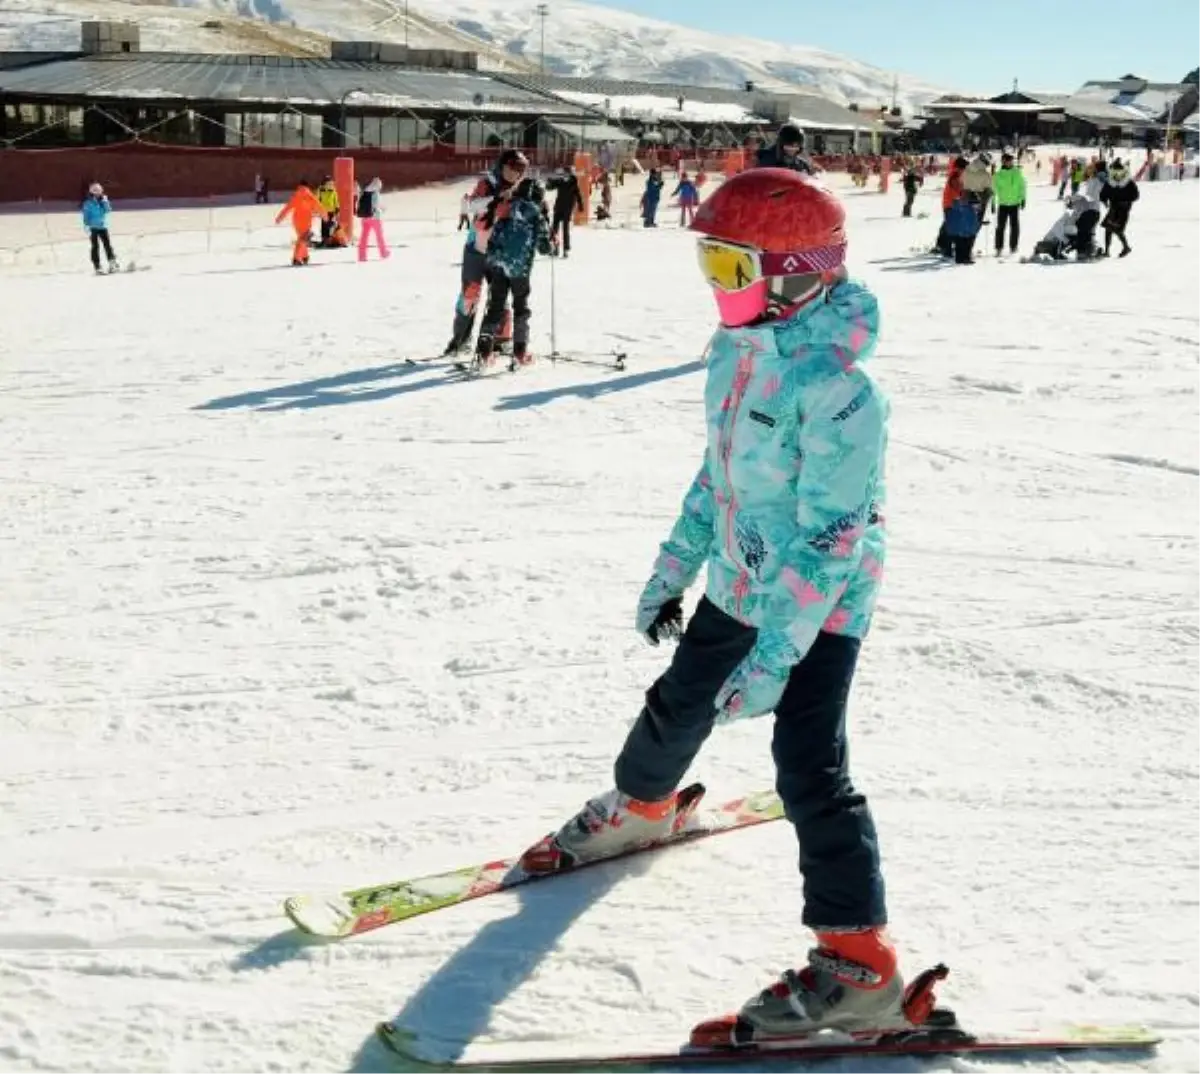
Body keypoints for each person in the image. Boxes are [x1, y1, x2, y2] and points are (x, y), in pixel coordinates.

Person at [519, 168, 911, 1043]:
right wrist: (675, 564)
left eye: (733, 270)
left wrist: (777, 655)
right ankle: (643, 806)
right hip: (740, 574)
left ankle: (860, 964)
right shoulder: (740, 355)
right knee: (680, 697)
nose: (717, 288)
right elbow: (719, 474)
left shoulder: (843, 392)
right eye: (712, 266)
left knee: (809, 763)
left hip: (820, 604)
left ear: (798, 273)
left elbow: (835, 536)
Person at [443, 149, 527, 357]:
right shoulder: (487, 184)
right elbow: (469, 204)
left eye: (519, 171)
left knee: (499, 297)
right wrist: (495, 199)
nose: (514, 174)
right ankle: (461, 339)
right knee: (469, 295)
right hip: (477, 249)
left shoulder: (521, 191)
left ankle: (500, 339)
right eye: (511, 168)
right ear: (502, 166)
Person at [475, 175, 552, 366]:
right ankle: (520, 351)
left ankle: (485, 348)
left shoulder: (507, 207)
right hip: (520, 269)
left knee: (495, 307)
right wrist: (551, 243)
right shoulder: (536, 213)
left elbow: (495, 232)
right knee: (521, 308)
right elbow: (544, 247)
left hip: (497, 264)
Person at [274, 181, 327, 266]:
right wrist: (325, 216)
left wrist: (279, 218)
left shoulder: (296, 195)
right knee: (302, 239)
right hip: (307, 220)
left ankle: (304, 256)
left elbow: (287, 208)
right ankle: (297, 258)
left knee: (302, 238)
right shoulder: (310, 196)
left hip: (297, 221)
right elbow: (319, 207)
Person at [1099, 158, 1139, 258]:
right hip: (1113, 208)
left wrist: (1126, 202)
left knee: (1117, 229)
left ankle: (1126, 247)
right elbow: (1104, 193)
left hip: (1123, 209)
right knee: (1108, 229)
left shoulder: (1129, 182)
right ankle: (1107, 251)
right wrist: (1104, 200)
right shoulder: (1110, 181)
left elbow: (1136, 195)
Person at [991, 151, 1026, 256]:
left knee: (1015, 227)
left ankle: (1013, 246)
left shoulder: (1017, 172)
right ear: (1003, 161)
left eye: (1011, 160)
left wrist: (1023, 199)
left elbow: (1022, 186)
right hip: (1003, 204)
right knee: (1000, 227)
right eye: (1008, 160)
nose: (1010, 162)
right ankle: (999, 247)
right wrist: (993, 203)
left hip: (1014, 204)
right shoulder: (998, 175)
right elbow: (994, 190)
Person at [546, 166, 585, 257]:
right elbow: (550, 187)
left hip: (567, 209)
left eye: (567, 173)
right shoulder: (560, 181)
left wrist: (580, 205)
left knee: (565, 229)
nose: (565, 175)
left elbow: (578, 194)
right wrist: (549, 180)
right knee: (554, 228)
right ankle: (554, 248)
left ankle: (565, 250)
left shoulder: (573, 182)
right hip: (558, 207)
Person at [81, 182, 118, 275]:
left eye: (100, 191)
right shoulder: (88, 203)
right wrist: (86, 226)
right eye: (96, 191)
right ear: (92, 192)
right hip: (93, 227)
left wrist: (105, 202)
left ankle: (112, 263)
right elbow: (86, 215)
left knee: (107, 245)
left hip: (103, 226)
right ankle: (97, 266)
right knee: (95, 247)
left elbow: (108, 210)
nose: (98, 193)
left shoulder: (103, 201)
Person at [355, 177, 390, 261]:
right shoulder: (375, 193)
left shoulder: (365, 192)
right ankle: (383, 252)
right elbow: (376, 206)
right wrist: (382, 209)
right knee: (379, 236)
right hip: (375, 218)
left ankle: (362, 255)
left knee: (364, 237)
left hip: (365, 218)